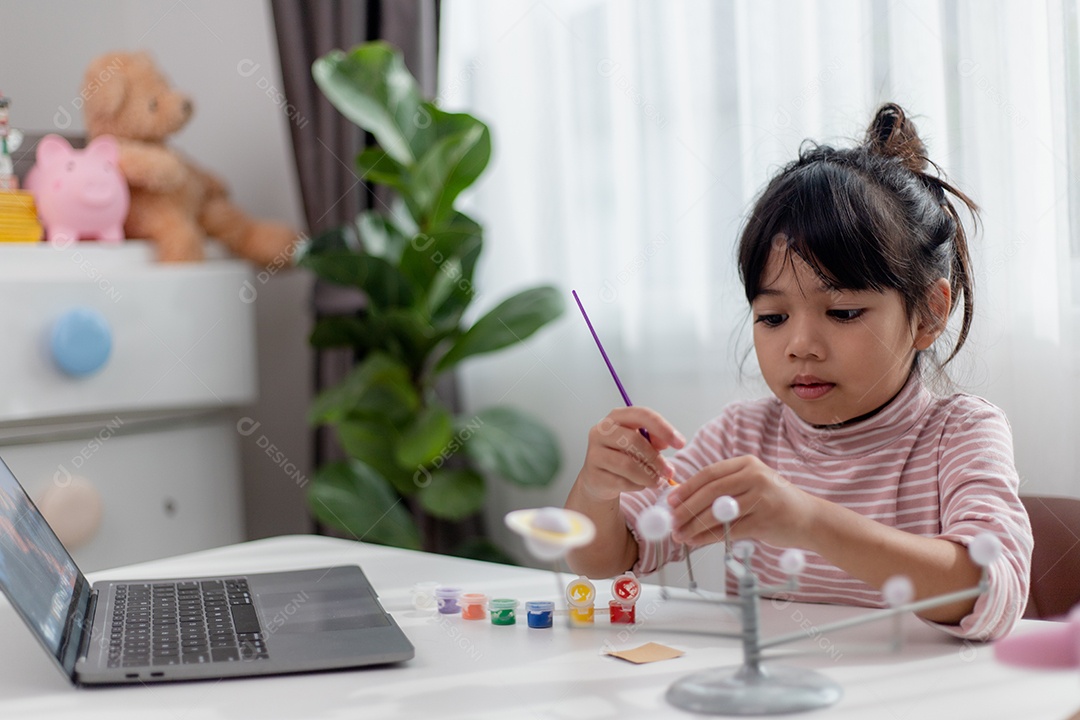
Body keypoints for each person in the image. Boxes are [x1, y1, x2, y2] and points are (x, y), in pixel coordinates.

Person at [565, 103, 1032, 641]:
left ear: (928, 313)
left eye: (843, 312)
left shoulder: (961, 434)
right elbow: (608, 556)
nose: (801, 346)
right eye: (773, 317)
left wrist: (808, 520)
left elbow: (992, 591)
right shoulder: (745, 436)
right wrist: (598, 490)